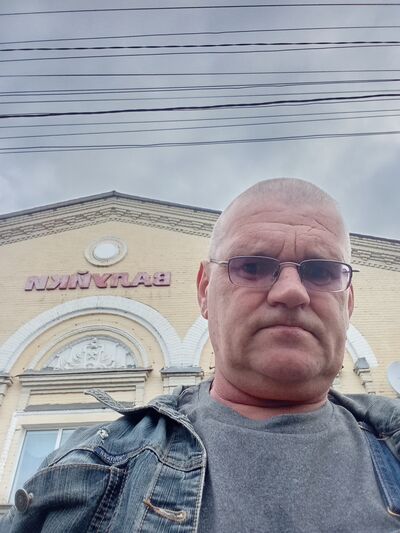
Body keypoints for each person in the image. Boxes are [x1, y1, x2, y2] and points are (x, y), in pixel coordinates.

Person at [2, 177, 400, 532]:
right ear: (204, 290)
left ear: (348, 302)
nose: (291, 291)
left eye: (321, 271)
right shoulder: (84, 475)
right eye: (252, 266)